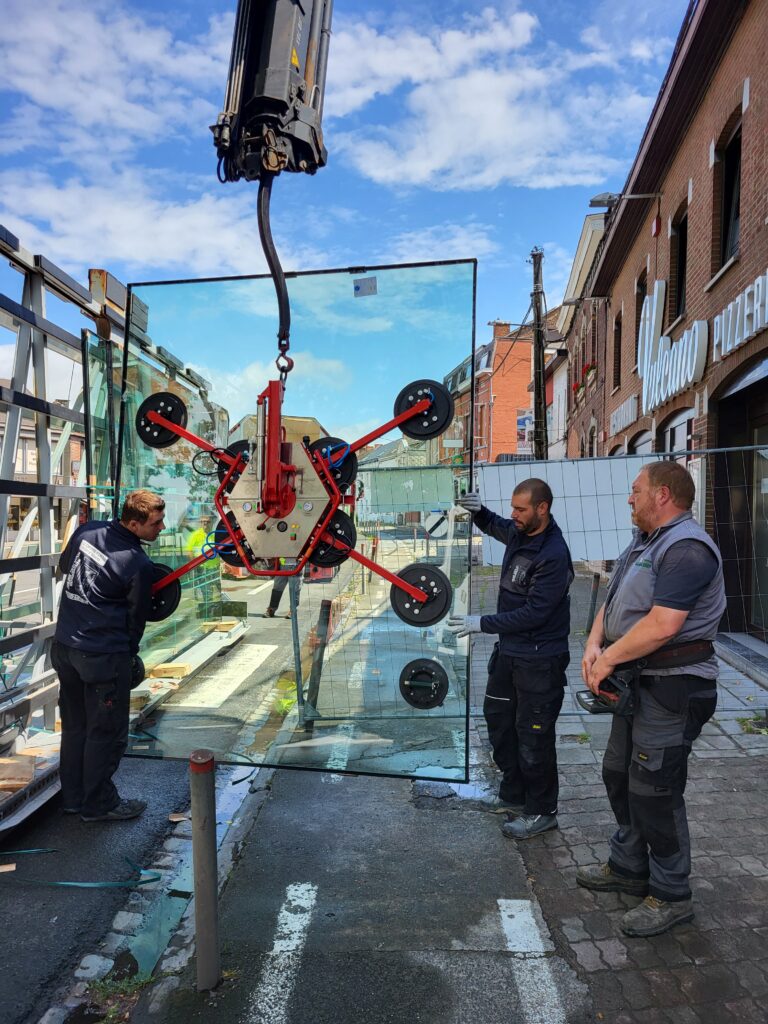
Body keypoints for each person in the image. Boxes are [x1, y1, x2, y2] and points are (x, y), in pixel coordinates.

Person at [578, 461, 726, 938]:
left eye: (635, 490)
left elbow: (664, 624)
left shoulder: (686, 549)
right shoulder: (644, 542)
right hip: (636, 683)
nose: (629, 498)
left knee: (655, 790)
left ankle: (670, 893)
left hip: (674, 687)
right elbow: (613, 599)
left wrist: (606, 662)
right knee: (618, 774)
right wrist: (593, 644)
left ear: (662, 495)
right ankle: (627, 867)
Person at [449, 478, 574, 840]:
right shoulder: (521, 532)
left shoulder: (553, 554)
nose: (513, 515)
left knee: (533, 737)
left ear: (542, 509)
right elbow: (496, 526)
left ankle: (541, 811)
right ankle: (514, 793)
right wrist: (478, 512)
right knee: (499, 720)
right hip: (509, 654)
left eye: (520, 509)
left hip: (540, 660)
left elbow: (535, 613)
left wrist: (481, 623)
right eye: (512, 507)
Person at [52, 490, 166, 822]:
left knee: (75, 727)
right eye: (156, 523)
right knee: (105, 732)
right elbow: (136, 618)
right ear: (134, 523)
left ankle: (73, 800)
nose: (162, 528)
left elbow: (65, 566)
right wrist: (129, 658)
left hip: (65, 649)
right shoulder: (138, 563)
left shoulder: (86, 531)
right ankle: (98, 804)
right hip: (102, 657)